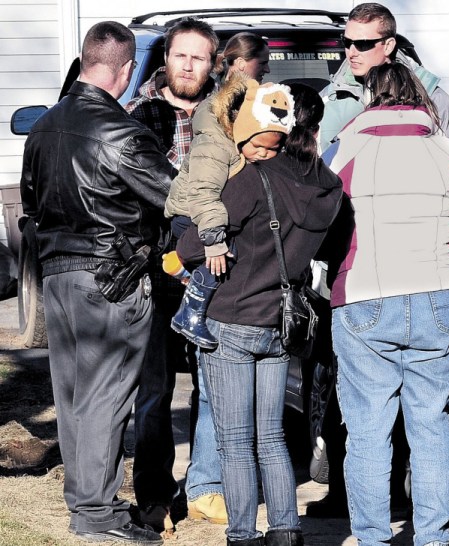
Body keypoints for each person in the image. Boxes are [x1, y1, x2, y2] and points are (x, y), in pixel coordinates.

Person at [19, 21, 174, 545]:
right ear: (127, 70)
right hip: (113, 280)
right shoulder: (126, 133)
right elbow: (174, 199)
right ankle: (96, 512)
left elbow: (32, 203)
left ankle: (87, 505)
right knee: (107, 397)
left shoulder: (42, 128)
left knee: (74, 396)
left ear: (86, 60)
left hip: (59, 277)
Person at [175, 83, 342, 546]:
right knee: (270, 437)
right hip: (281, 323)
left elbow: (192, 245)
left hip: (232, 319)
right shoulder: (329, 187)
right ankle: (286, 531)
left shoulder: (256, 176)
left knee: (235, 441)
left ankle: (244, 535)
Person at [326, 62, 449, 546]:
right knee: (431, 425)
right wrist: (448, 260)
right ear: (418, 95)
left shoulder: (346, 147)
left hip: (364, 294)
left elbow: (325, 221)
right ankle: (432, 538)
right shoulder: (445, 147)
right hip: (438, 293)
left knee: (368, 431)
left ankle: (373, 538)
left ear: (370, 98)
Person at [125, 17, 226, 532]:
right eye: (180, 55)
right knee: (155, 391)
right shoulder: (137, 115)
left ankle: (208, 487)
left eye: (199, 57)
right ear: (165, 58)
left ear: (213, 63)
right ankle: (153, 499)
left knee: (217, 387)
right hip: (157, 270)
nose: (188, 65)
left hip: (217, 268)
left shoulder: (228, 113)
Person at [166, 34, 277, 350]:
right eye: (263, 62)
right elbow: (205, 189)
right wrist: (213, 243)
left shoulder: (233, 104)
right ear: (242, 64)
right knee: (227, 252)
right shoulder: (221, 117)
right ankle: (190, 311)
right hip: (194, 212)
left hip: (205, 209)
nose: (267, 69)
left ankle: (183, 272)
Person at [319, 2, 449, 203]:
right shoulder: (328, 100)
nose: (351, 52)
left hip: (418, 226)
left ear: (388, 45)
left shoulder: (434, 101)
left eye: (363, 44)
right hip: (351, 230)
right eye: (346, 41)